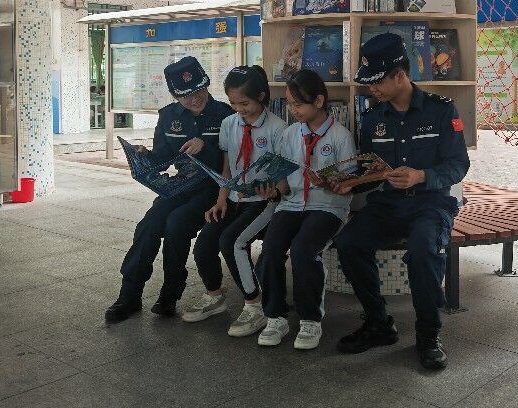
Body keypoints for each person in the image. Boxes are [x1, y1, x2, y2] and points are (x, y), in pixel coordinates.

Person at [333, 33, 470, 369]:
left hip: (431, 203)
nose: (372, 89)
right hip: (388, 204)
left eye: (377, 81)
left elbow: (458, 165)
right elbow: (371, 169)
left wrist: (421, 175)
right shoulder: (373, 118)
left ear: (399, 74)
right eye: (368, 83)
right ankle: (378, 323)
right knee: (349, 243)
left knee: (424, 249)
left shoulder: (442, 110)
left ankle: (428, 333)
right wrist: (348, 183)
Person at [105, 56, 234, 323]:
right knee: (149, 224)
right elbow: (163, 158)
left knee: (177, 223)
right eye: (186, 96)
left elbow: (232, 160)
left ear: (206, 85)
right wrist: (145, 155)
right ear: (175, 96)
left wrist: (205, 147)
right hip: (181, 185)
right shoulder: (168, 116)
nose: (195, 99)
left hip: (213, 189)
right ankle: (129, 295)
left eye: (199, 91)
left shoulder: (225, 115)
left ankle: (170, 294)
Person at [254, 69, 356, 350]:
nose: (292, 110)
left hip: (328, 207)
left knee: (303, 249)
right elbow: (283, 183)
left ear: (319, 101)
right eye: (289, 104)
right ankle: (275, 316)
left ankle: (310, 319)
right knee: (271, 248)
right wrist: (273, 191)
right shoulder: (289, 135)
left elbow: (351, 182)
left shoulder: (340, 136)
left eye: (298, 104)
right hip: (292, 203)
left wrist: (334, 183)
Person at [182, 66, 286, 338]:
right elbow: (227, 169)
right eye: (233, 103)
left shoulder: (278, 128)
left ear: (261, 96)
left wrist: (273, 191)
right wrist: (221, 201)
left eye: (245, 103)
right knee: (205, 242)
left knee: (232, 241)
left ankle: (255, 305)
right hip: (235, 197)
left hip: (265, 203)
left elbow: (284, 178)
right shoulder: (230, 124)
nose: (239, 109)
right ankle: (214, 295)